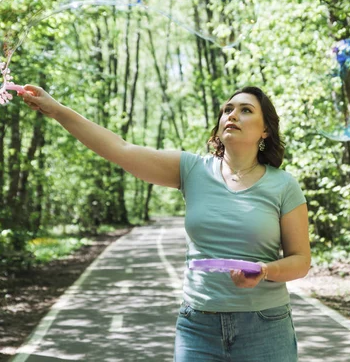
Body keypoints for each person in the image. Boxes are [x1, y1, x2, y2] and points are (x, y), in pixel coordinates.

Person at [19, 85, 310, 362]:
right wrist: (56, 110)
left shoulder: (283, 185)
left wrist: (265, 270)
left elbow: (301, 261)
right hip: (198, 326)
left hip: (265, 325)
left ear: (265, 130)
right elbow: (119, 149)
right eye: (227, 109)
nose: (232, 115)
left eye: (246, 110)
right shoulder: (192, 170)